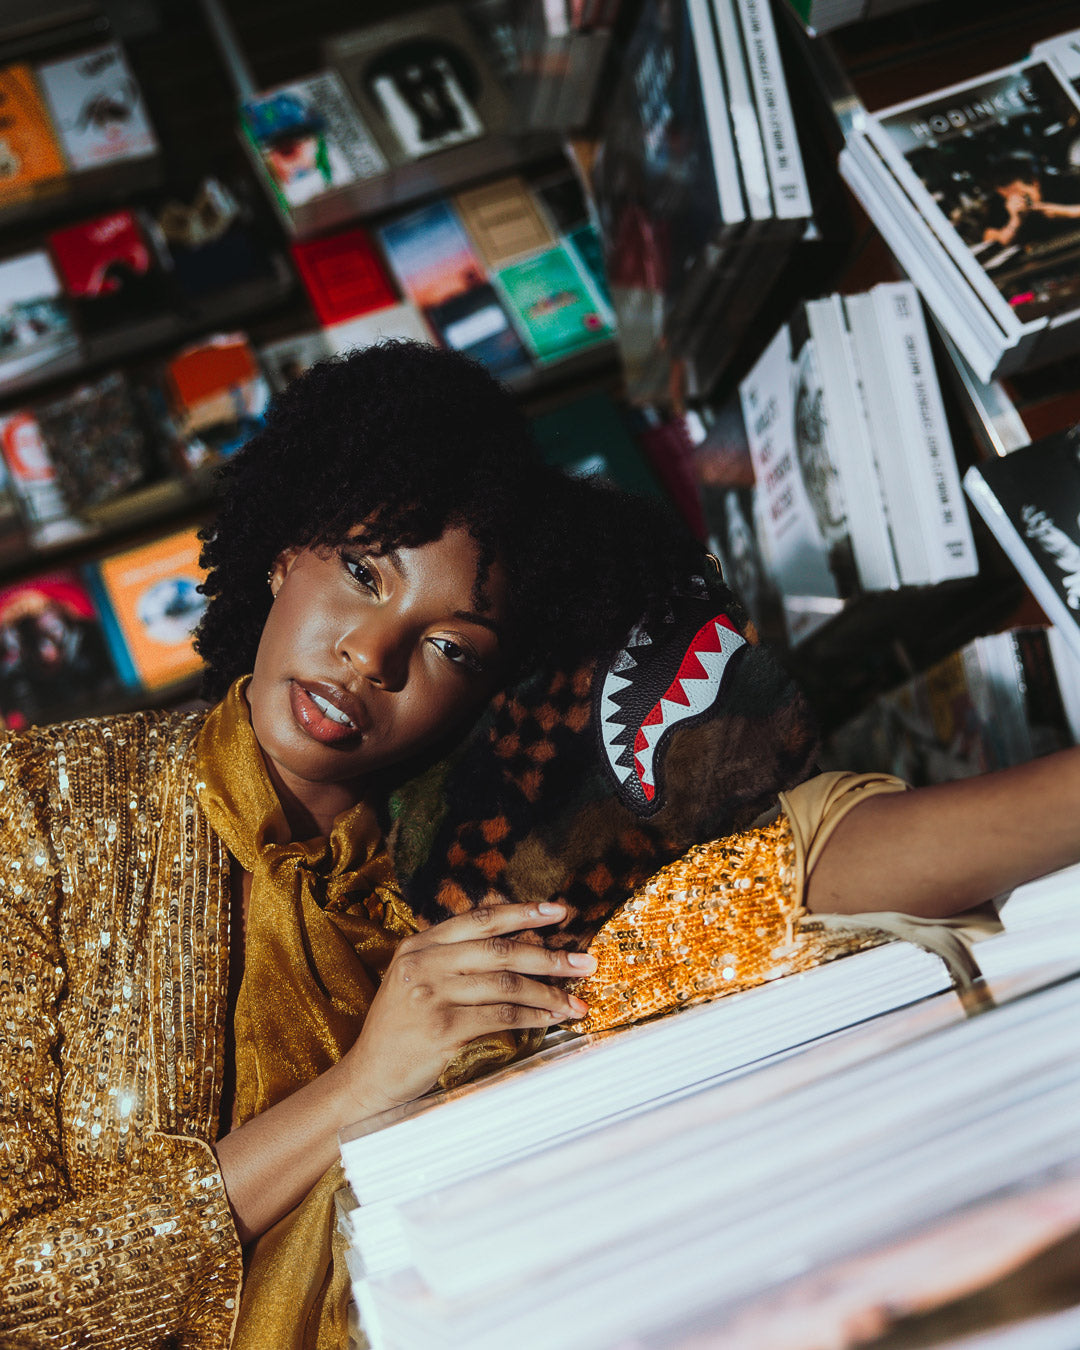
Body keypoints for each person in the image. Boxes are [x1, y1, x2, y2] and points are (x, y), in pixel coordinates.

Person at [1, 341, 1079, 1350]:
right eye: (365, 573)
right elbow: (21, 1299)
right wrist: (360, 1087)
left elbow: (776, 879)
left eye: (449, 647)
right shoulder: (42, 808)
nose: (371, 656)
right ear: (287, 557)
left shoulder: (473, 854)